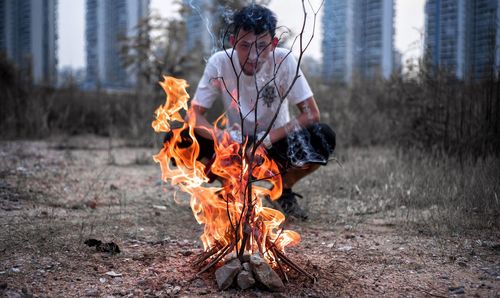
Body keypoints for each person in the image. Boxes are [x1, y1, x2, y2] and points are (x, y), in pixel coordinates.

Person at [170, 4, 336, 220]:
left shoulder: (283, 61)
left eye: (262, 46)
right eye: (245, 46)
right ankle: (230, 187)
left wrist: (265, 141)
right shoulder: (220, 62)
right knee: (177, 139)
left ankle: (281, 189)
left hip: (276, 143)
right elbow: (193, 115)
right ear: (233, 42)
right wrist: (221, 137)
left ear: (274, 44)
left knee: (322, 135)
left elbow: (311, 114)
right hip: (234, 143)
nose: (253, 55)